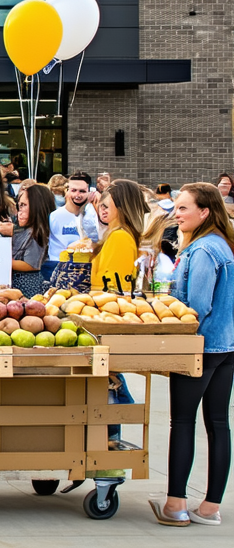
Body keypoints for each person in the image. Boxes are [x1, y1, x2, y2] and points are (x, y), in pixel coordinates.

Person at [154, 182, 234, 527]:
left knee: (183, 422)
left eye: (184, 208)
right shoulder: (224, 245)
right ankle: (210, 507)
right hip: (227, 346)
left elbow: (196, 308)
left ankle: (176, 505)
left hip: (200, 346)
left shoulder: (203, 250)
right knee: (218, 424)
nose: (177, 214)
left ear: (205, 212)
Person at [93, 179, 147, 293]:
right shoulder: (116, 235)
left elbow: (114, 288)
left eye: (105, 205)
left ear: (122, 205)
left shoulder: (120, 237)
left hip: (105, 302)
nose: (101, 208)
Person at [46, 172, 102, 279]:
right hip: (58, 269)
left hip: (87, 271)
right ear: (67, 191)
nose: (77, 195)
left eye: (82, 191)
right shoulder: (54, 216)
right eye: (73, 190)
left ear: (90, 192)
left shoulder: (95, 215)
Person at [11, 184, 54, 298]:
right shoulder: (25, 230)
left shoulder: (37, 232)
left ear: (37, 206)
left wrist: (2, 262)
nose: (19, 211)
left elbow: (31, 264)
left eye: (24, 205)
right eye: (19, 206)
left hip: (28, 288)